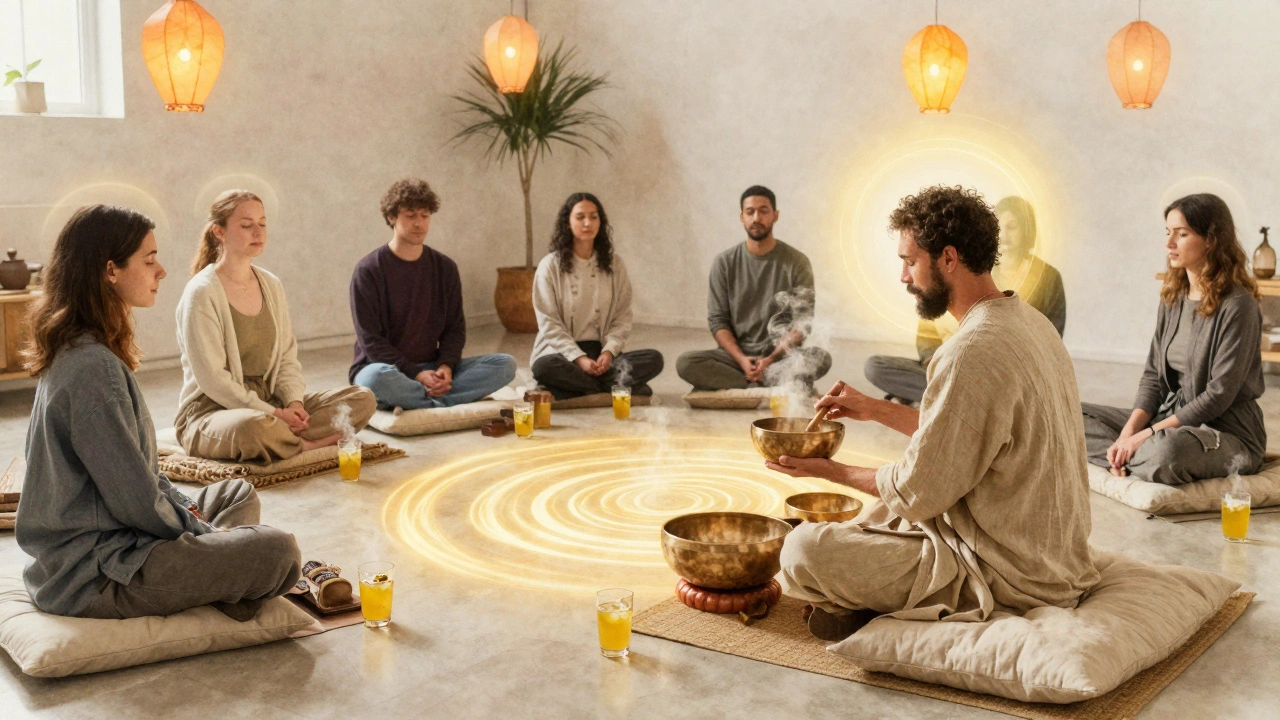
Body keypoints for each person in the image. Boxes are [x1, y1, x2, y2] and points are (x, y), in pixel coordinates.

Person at [766, 186, 1098, 641]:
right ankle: (861, 602)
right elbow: (964, 434)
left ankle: (870, 604)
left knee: (802, 550)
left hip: (1011, 572)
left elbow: (915, 492)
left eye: (909, 261)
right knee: (878, 514)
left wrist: (831, 471)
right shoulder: (1029, 321)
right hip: (1056, 558)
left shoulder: (970, 350)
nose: (903, 276)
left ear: (948, 258)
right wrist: (874, 408)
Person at [17, 204, 301, 621]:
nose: (162, 271)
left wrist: (191, 518)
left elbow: (142, 477)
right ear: (110, 271)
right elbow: (137, 501)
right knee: (278, 551)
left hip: (119, 539)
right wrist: (203, 533)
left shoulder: (84, 350)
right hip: (95, 573)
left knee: (235, 493)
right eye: (149, 260)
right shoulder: (93, 369)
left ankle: (218, 584)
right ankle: (225, 587)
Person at [176, 190, 376, 463]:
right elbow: (214, 380)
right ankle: (306, 445)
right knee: (253, 428)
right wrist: (275, 415)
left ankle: (287, 439)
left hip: (271, 405)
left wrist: (293, 404)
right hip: (213, 413)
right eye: (246, 225)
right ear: (219, 232)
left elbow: (286, 359)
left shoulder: (271, 285)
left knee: (362, 398)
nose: (257, 231)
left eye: (262, 223)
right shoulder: (201, 292)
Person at [1081, 194, 1265, 484]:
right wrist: (1129, 434)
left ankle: (1131, 457)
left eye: (1181, 234)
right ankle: (1127, 454)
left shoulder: (1238, 305)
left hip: (1225, 432)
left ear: (1211, 240)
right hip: (1167, 420)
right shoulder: (1173, 298)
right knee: (1068, 417)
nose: (1169, 243)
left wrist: (1148, 435)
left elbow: (1218, 396)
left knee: (1168, 452)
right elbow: (1153, 378)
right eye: (1168, 232)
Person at [864, 195, 1066, 405]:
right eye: (1002, 227)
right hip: (947, 370)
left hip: (1001, 377)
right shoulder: (963, 279)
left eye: (1012, 227)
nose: (904, 277)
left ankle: (937, 400)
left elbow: (1050, 337)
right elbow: (928, 332)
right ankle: (945, 397)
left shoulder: (1040, 279)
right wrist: (932, 360)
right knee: (876, 366)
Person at [350, 178, 516, 409]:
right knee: (373, 380)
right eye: (410, 215)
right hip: (384, 368)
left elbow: (454, 328)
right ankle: (441, 400)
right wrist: (416, 374)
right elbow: (371, 341)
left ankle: (419, 400)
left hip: (432, 366)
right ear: (391, 217)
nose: (419, 223)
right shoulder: (368, 270)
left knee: (505, 364)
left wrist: (446, 366)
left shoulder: (445, 268)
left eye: (425, 215)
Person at [676, 186, 831, 391]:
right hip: (735, 357)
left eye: (764, 211)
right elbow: (717, 320)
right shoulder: (724, 263)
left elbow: (802, 323)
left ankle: (748, 381)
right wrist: (741, 359)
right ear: (742, 217)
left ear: (775, 215)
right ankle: (769, 382)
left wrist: (772, 358)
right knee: (686, 363)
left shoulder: (797, 262)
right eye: (750, 212)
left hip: (780, 357)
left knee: (820, 358)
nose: (756, 218)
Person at [531, 193, 664, 399]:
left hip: (601, 353)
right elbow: (549, 323)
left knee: (654, 359)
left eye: (593, 217)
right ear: (567, 223)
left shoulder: (614, 265)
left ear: (600, 222)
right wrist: (579, 358)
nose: (587, 223)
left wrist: (609, 352)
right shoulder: (549, 266)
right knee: (543, 368)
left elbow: (622, 316)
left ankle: (576, 389)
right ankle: (612, 387)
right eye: (580, 217)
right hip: (561, 354)